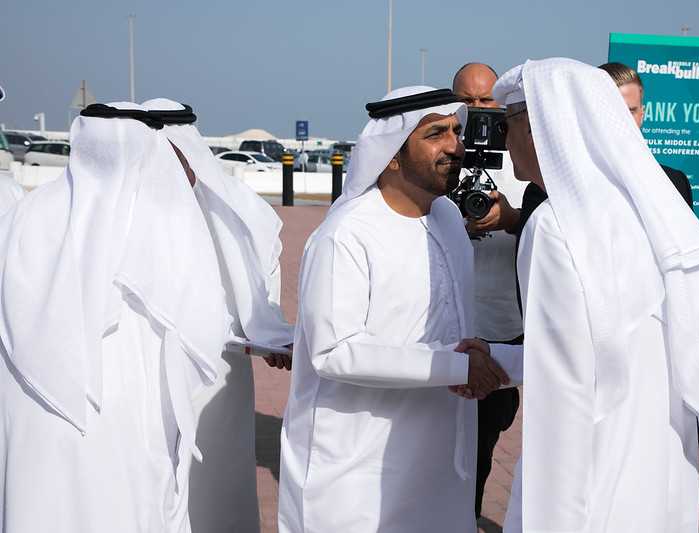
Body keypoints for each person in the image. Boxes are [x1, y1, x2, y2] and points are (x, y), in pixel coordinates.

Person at [462, 58, 699, 532]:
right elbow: (608, 341)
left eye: (510, 124)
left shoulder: (556, 225)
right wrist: (499, 357)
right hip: (657, 462)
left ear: (544, 125)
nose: (504, 138)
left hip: (594, 475)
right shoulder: (645, 208)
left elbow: (562, 390)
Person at [0, 102, 240, 532]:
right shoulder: (158, 226)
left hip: (32, 427)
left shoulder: (23, 214)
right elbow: (200, 328)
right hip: (126, 430)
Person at [278, 86, 509, 533]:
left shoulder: (447, 220)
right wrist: (459, 367)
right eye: (436, 134)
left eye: (457, 133)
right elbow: (334, 352)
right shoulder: (347, 234)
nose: (455, 147)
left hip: (438, 466)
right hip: (357, 472)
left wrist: (493, 361)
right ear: (391, 155)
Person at [142, 99, 294, 533]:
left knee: (216, 485)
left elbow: (263, 279)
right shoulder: (124, 211)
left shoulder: (237, 206)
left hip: (216, 380)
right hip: (146, 374)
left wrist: (270, 334)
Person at [598, 62, 699, 412]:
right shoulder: (556, 189)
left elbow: (696, 273)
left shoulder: (673, 183)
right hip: (600, 368)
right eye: (613, 110)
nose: (624, 120)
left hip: (665, 358)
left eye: (630, 110)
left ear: (643, 113)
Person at [452, 61, 526, 519]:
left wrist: (510, 217)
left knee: (486, 439)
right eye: (467, 100)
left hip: (509, 331)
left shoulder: (523, 163)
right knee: (454, 446)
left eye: (486, 99)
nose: (476, 109)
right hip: (452, 328)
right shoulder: (441, 157)